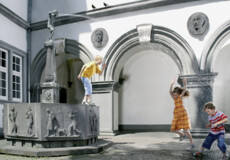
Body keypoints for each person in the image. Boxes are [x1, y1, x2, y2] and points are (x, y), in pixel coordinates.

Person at [169, 77, 194, 149]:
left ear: (179, 94)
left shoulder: (180, 97)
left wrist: (185, 83)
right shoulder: (174, 99)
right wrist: (171, 84)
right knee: (172, 129)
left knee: (186, 129)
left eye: (176, 95)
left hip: (183, 114)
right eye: (174, 95)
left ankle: (192, 143)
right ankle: (182, 135)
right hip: (176, 114)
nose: (174, 96)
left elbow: (185, 90)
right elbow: (170, 92)